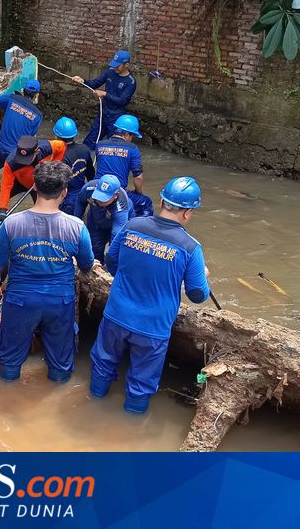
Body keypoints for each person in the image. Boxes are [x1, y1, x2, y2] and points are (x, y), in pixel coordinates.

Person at [89, 176, 210, 414]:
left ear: (162, 201)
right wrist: (204, 276)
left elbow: (111, 262)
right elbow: (197, 295)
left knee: (102, 364)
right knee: (141, 382)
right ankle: (131, 431)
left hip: (116, 314)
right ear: (187, 213)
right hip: (153, 327)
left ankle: (92, 408)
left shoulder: (132, 226)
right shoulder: (190, 247)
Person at [0, 161, 94, 383]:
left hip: (20, 300)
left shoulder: (11, 223)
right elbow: (86, 263)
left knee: (9, 360)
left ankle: (6, 395)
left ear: (34, 187)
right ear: (64, 192)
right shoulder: (76, 227)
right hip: (60, 301)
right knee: (61, 362)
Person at [0, 134, 66, 231]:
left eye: (26, 159)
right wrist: (3, 209)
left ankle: (44, 233)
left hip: (40, 182)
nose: (22, 162)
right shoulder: (11, 163)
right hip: (20, 181)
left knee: (45, 208)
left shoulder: (49, 147)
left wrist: (53, 166)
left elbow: (63, 147)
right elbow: (6, 186)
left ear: (37, 152)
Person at [0, 78, 42, 180]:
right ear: (37, 95)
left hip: (1, 150)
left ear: (23, 90)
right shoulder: (38, 115)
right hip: (18, 155)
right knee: (12, 180)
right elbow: (31, 139)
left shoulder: (12, 99)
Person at [73, 50, 136, 147]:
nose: (115, 68)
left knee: (112, 146)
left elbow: (122, 101)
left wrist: (105, 94)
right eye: (114, 65)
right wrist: (82, 80)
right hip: (103, 113)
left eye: (118, 66)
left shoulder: (130, 82)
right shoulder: (109, 72)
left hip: (116, 118)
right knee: (90, 142)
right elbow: (95, 83)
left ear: (126, 65)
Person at [74, 174, 135, 263]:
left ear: (115, 195)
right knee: (94, 248)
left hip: (118, 221)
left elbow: (116, 237)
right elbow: (79, 207)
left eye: (104, 199)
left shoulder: (121, 207)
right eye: (98, 196)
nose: (99, 201)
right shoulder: (88, 189)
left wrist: (111, 261)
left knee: (118, 251)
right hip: (96, 218)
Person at [53, 116, 94, 216]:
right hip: (83, 194)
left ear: (56, 136)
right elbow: (91, 174)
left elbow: (56, 184)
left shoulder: (59, 156)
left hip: (67, 199)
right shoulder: (84, 148)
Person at [95, 114, 144, 193]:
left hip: (98, 189)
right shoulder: (133, 149)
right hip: (117, 192)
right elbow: (138, 177)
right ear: (127, 134)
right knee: (146, 201)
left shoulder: (99, 145)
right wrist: (139, 193)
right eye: (132, 136)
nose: (131, 139)